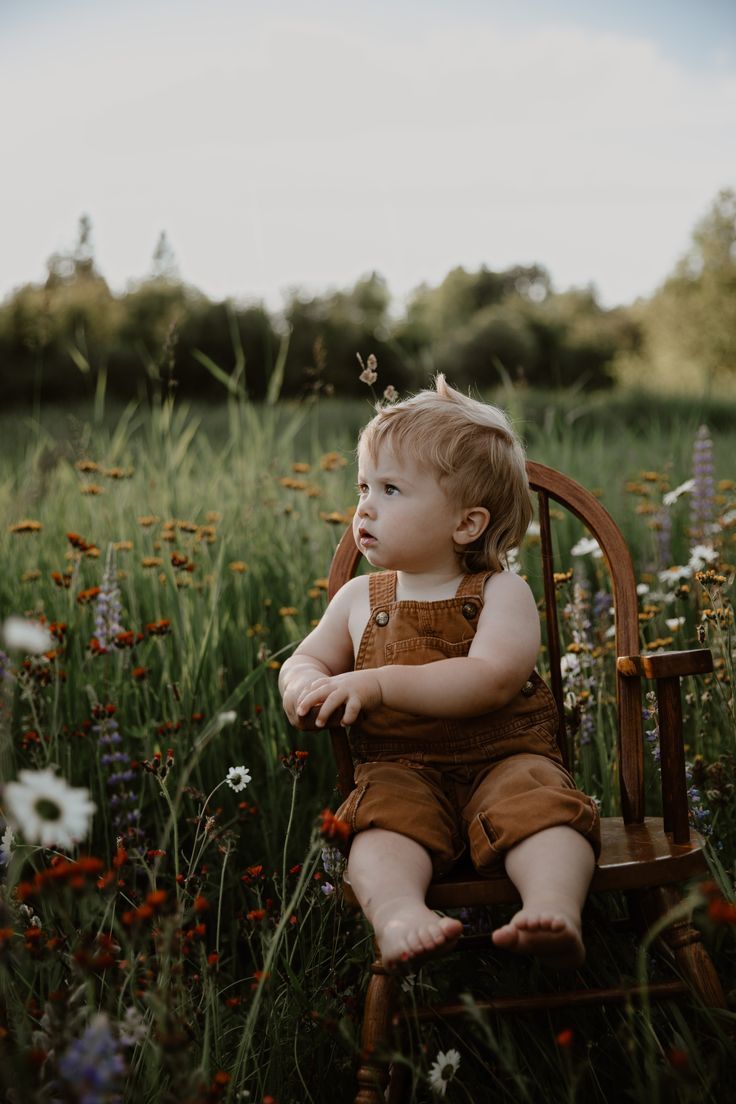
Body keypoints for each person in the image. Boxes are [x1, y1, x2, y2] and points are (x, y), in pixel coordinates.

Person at [279, 375, 600, 971]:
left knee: (544, 812)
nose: (365, 507)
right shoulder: (356, 597)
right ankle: (401, 916)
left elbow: (491, 679)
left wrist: (376, 683)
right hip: (402, 770)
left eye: (392, 489)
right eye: (363, 487)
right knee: (378, 831)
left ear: (466, 524)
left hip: (505, 758)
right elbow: (308, 657)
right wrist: (304, 686)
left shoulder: (502, 592)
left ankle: (552, 909)